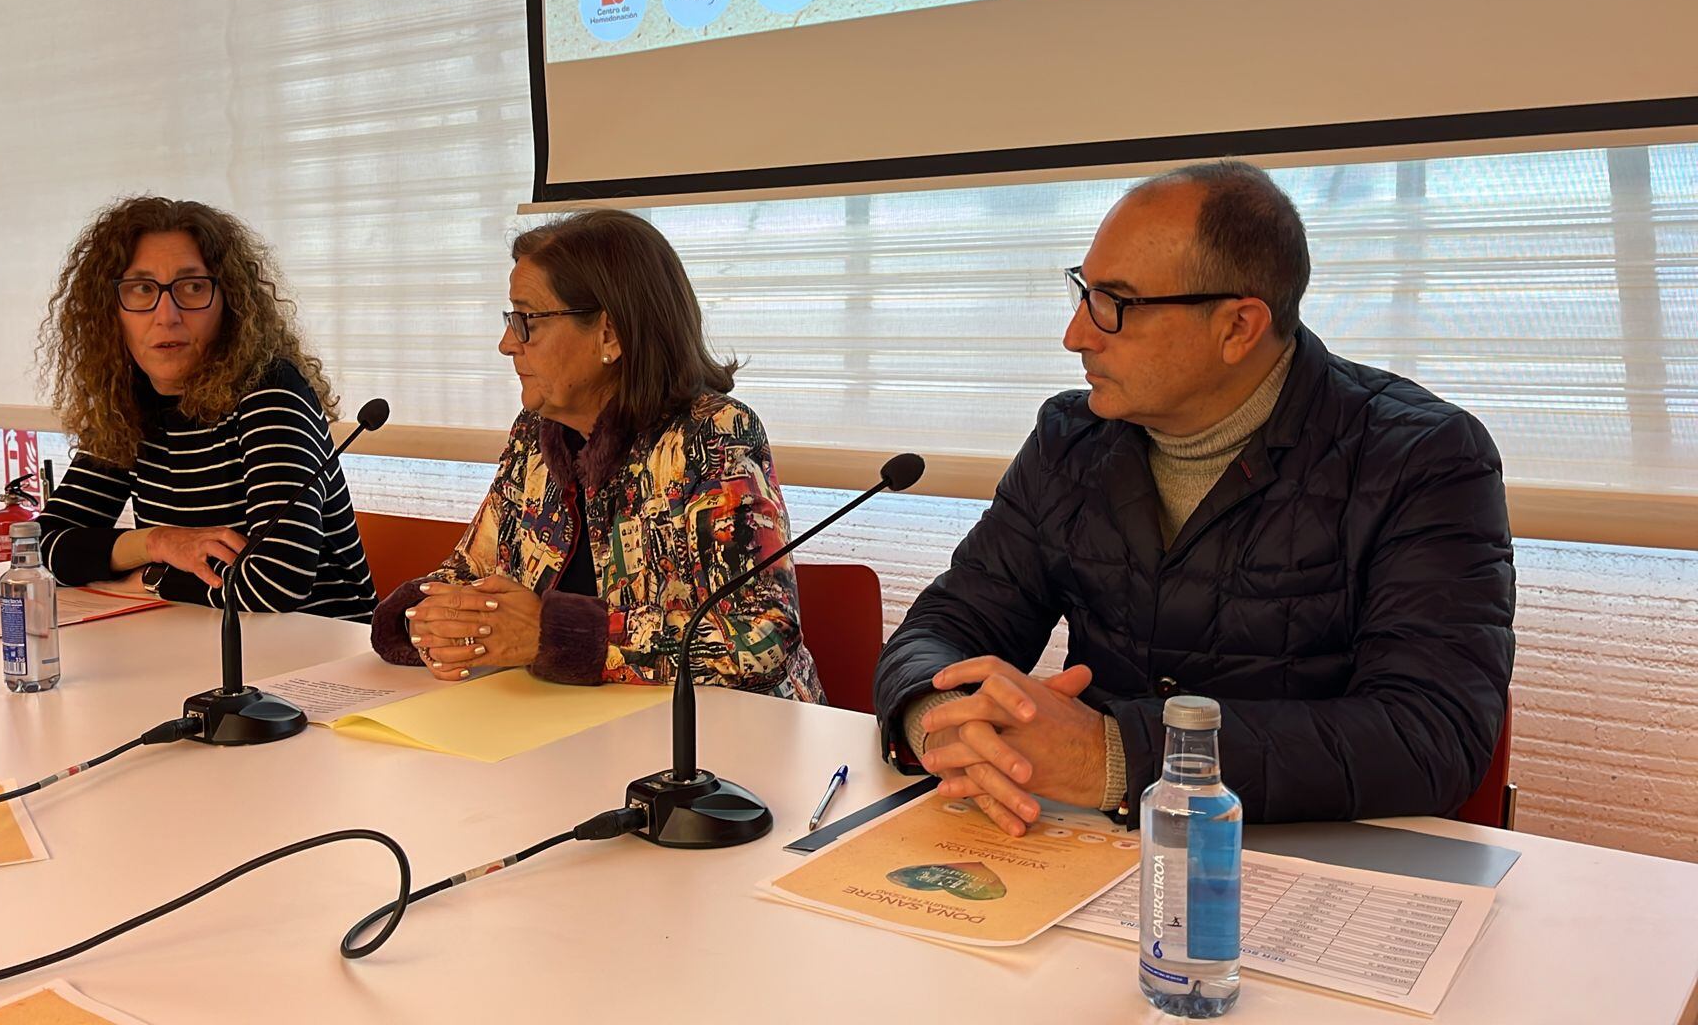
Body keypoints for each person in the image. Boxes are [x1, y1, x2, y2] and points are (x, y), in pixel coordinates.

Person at [874, 160, 1514, 834]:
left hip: (1309, 863)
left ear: (1238, 327)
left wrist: (1116, 754)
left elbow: (1429, 737)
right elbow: (944, 628)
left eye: (1116, 304)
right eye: (1084, 292)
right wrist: (939, 720)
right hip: (1089, 849)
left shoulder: (1423, 456)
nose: (1076, 335)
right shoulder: (1071, 438)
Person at [369, 209, 822, 701]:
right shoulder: (535, 438)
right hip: (567, 726)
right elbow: (466, 575)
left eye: (527, 320)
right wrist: (435, 620)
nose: (506, 344)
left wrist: (555, 633)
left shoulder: (713, 435)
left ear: (609, 334)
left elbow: (763, 637)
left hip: (721, 746)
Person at [32, 195, 375, 620]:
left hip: (318, 659)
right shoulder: (129, 403)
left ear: (228, 303)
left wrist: (149, 580)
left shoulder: (270, 393)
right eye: (141, 289)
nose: (167, 314)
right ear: (110, 311)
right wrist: (158, 543)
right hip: (194, 644)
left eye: (192, 287)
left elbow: (274, 585)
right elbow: (42, 544)